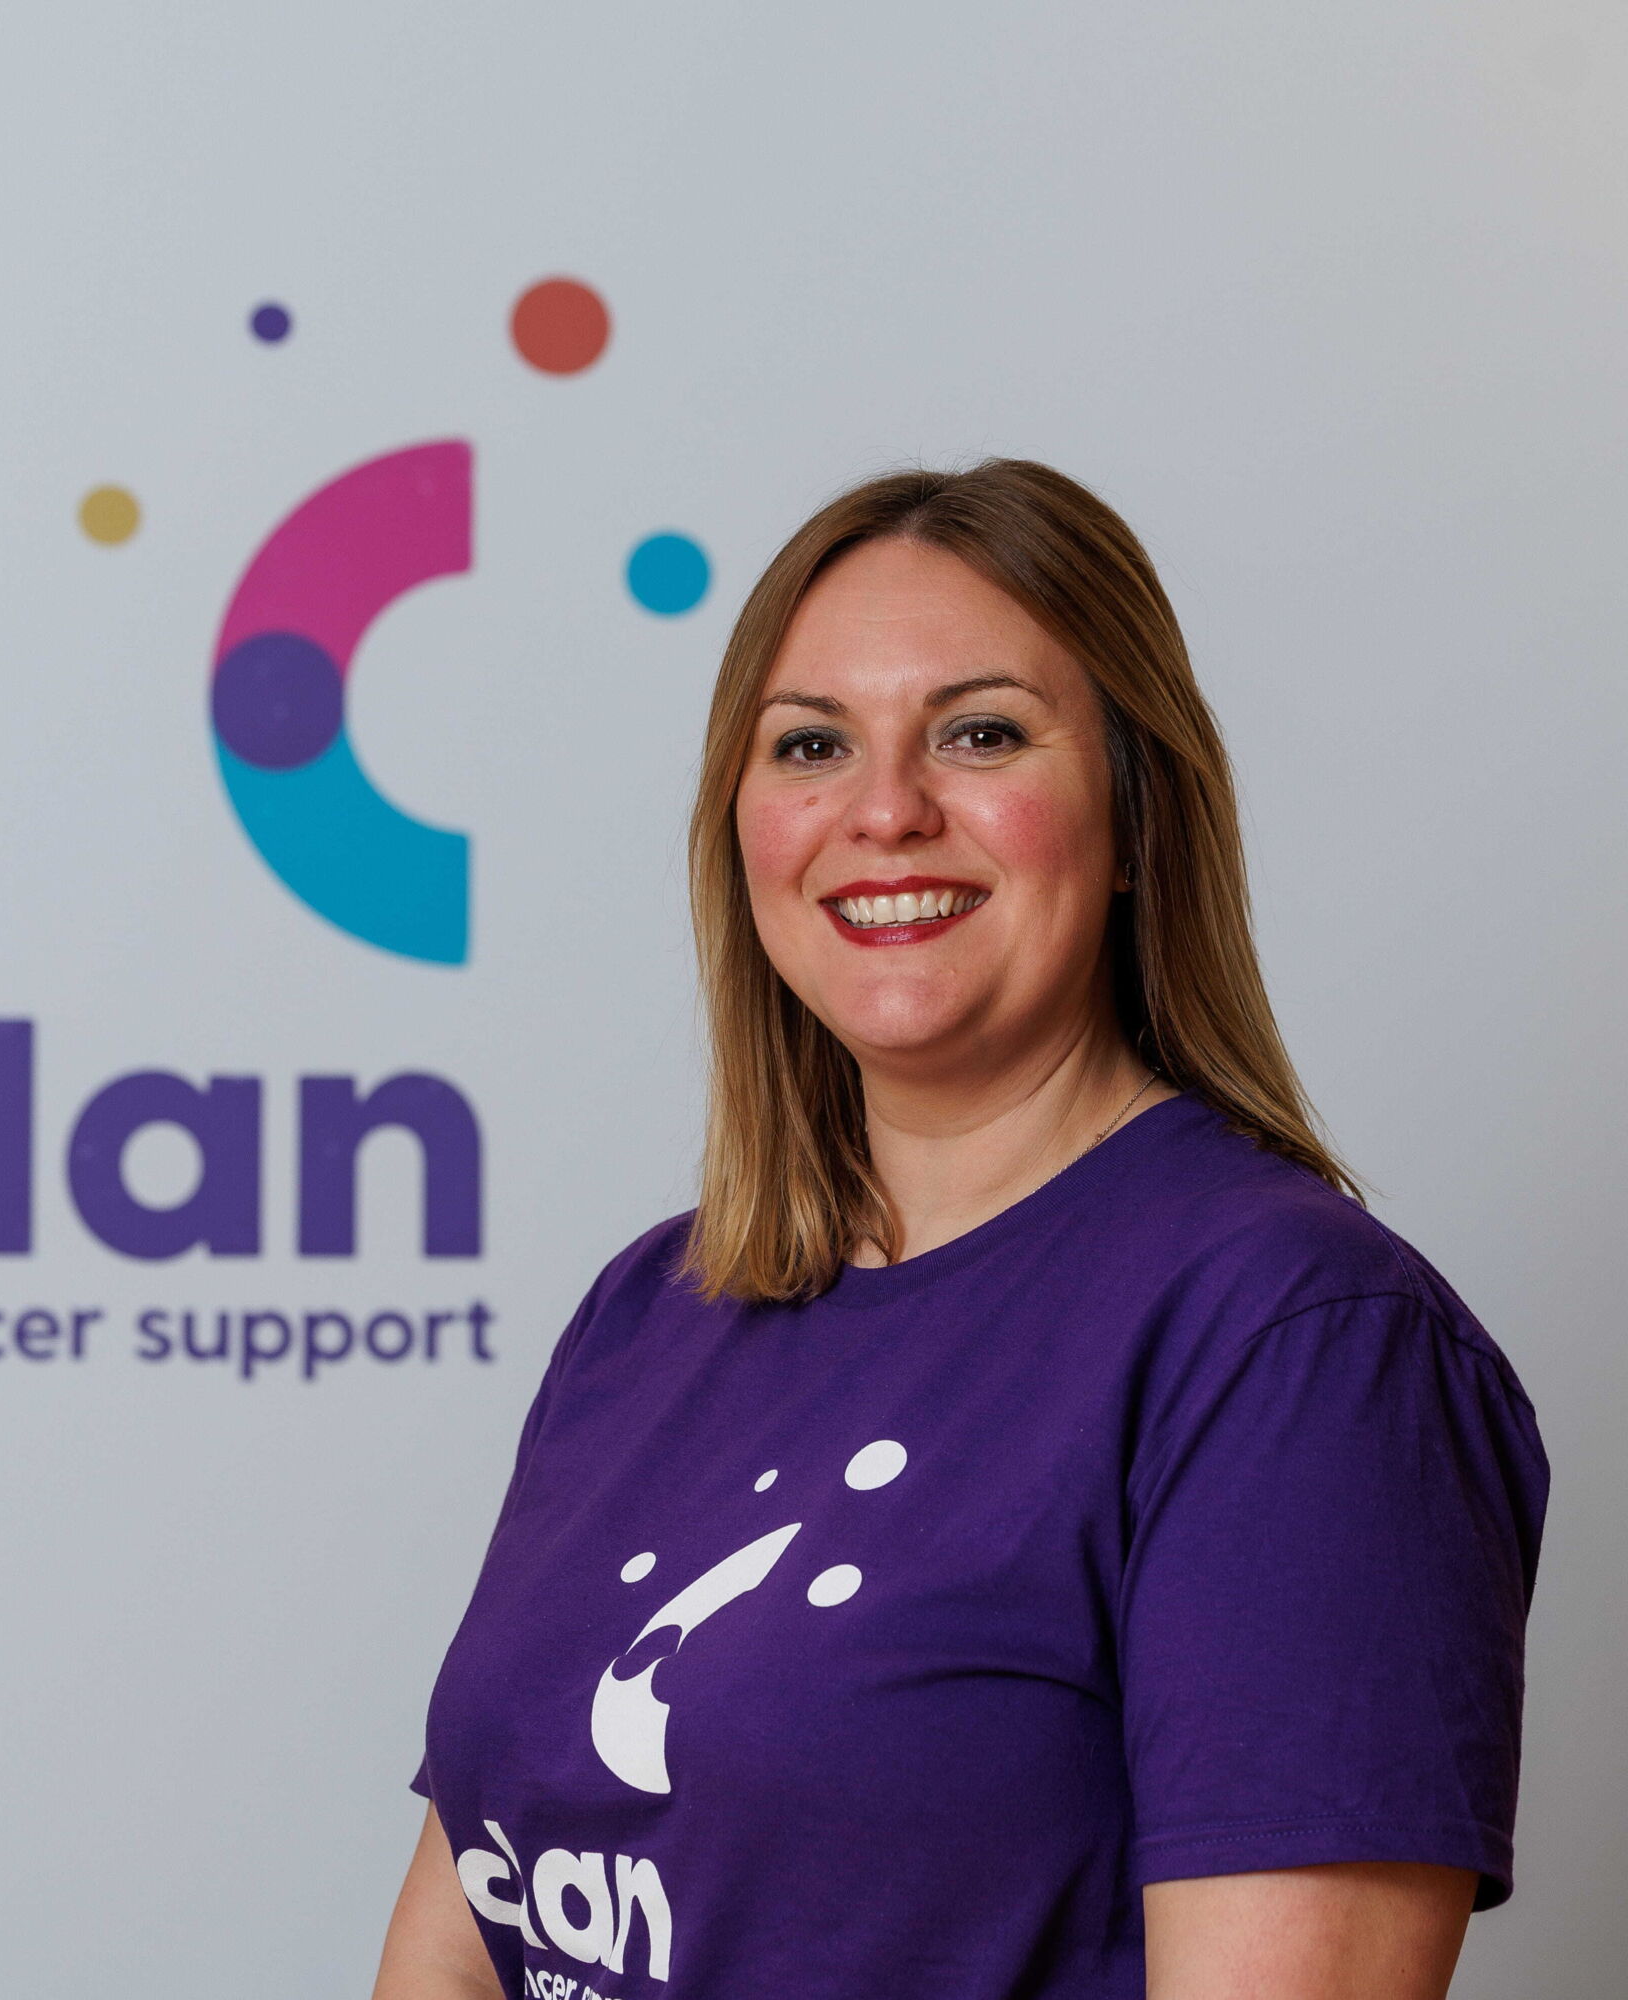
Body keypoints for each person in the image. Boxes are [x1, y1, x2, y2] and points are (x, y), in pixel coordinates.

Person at [370, 461, 1548, 2000]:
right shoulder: (653, 1308)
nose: (886, 813)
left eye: (980, 733)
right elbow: (461, 1955)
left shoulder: (1300, 1348)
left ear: (1136, 816)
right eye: (811, 745)